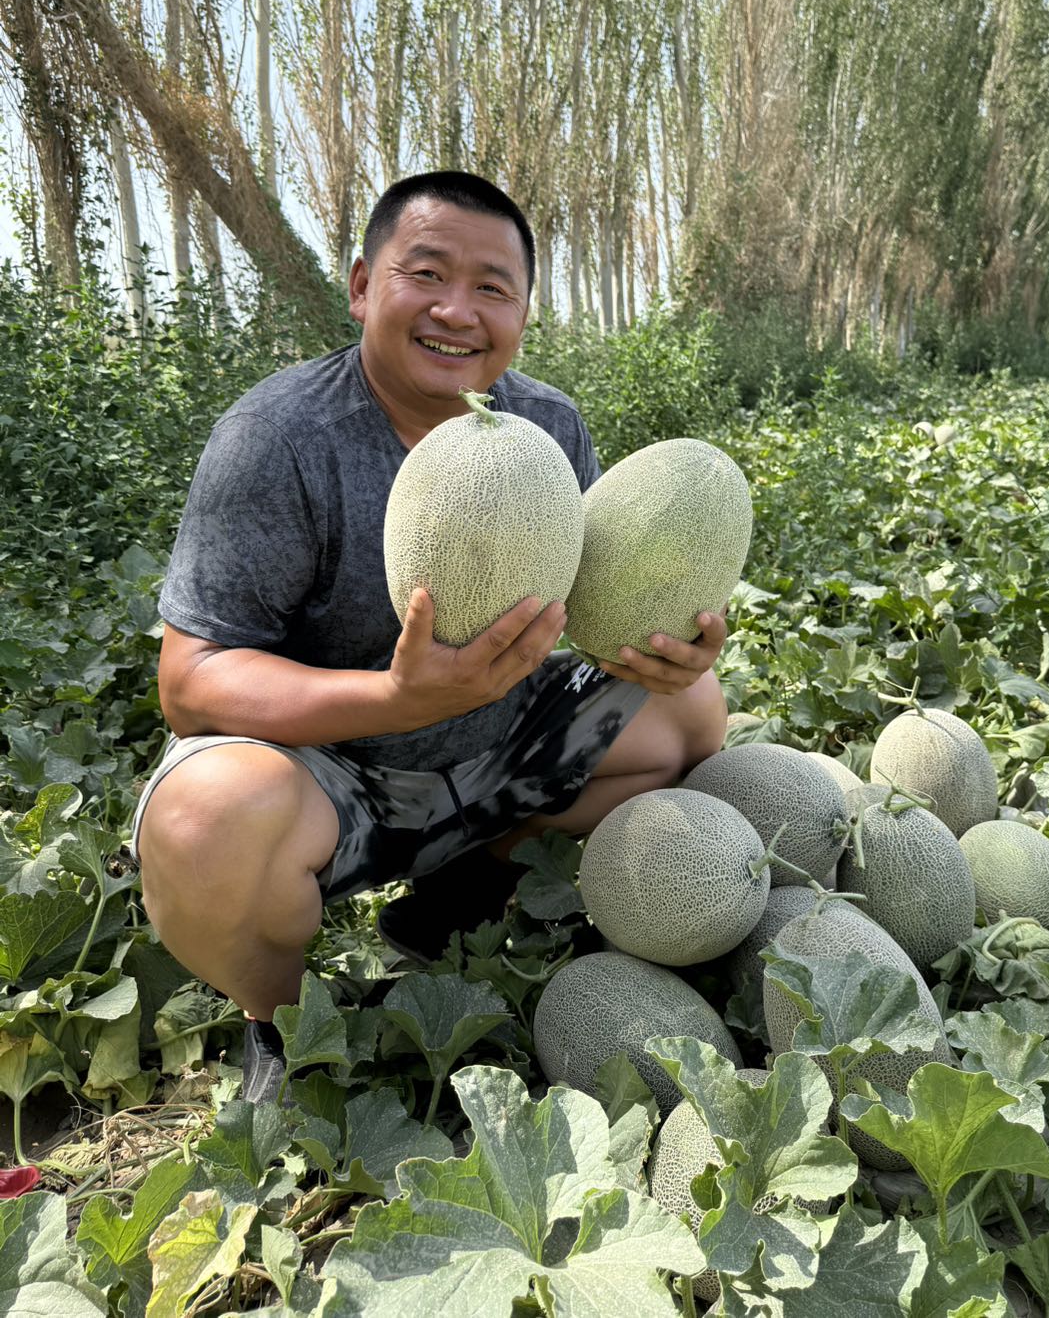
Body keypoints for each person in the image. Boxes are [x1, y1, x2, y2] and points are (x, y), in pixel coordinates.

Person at [132, 171, 728, 1103]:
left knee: (690, 710)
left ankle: (458, 891)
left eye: (493, 287)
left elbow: (587, 609)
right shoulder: (277, 437)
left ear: (525, 310)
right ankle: (286, 1026)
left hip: (494, 754)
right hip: (335, 780)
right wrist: (395, 698)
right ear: (365, 284)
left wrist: (660, 647)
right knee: (202, 819)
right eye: (428, 274)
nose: (459, 310)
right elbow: (190, 682)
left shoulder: (549, 424)